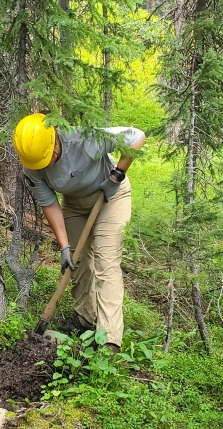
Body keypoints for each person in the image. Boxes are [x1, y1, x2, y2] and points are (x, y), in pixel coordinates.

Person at [13, 113, 146, 350]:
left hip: (111, 197)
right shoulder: (31, 162)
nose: (43, 166)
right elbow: (49, 203)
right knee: (77, 262)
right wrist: (64, 246)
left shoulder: (84, 140)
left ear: (54, 140)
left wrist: (117, 175)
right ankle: (84, 318)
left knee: (106, 263)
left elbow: (136, 137)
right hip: (74, 204)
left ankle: (109, 340)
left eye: (47, 158)